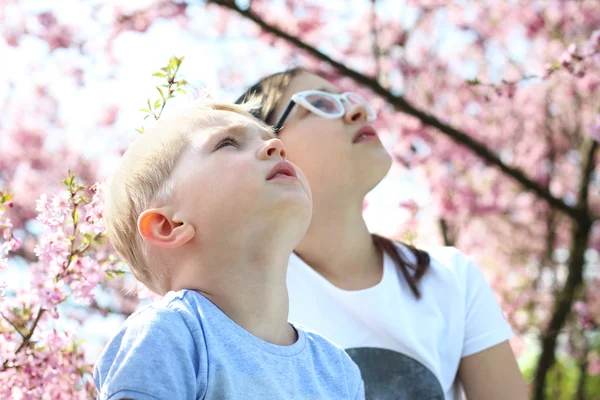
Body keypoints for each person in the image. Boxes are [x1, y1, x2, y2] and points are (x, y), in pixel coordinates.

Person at [235, 68, 529, 400]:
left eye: (350, 100)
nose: (358, 111)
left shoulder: (451, 279)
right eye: (319, 103)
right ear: (269, 151)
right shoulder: (237, 300)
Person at [94, 100, 365, 399]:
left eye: (269, 138)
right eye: (228, 143)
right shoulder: (170, 334)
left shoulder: (337, 370)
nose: (276, 145)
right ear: (168, 226)